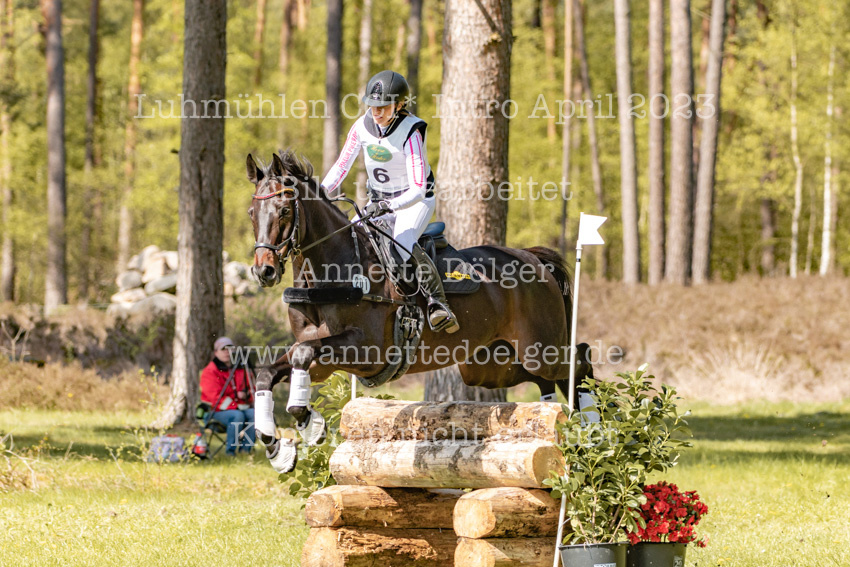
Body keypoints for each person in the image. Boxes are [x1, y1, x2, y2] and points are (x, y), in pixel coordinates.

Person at [321, 70, 460, 334]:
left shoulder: (411, 132)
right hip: (378, 202)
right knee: (349, 241)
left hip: (414, 202)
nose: (376, 111)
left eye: (383, 106)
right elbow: (341, 166)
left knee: (402, 243)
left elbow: (418, 189)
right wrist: (319, 192)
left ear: (399, 105)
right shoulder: (361, 127)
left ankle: (437, 302)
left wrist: (388, 206)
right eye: (372, 105)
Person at [199, 337, 256, 456]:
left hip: (238, 409)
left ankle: (245, 451)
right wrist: (236, 405)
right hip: (215, 412)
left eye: (230, 348)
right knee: (237, 415)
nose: (227, 352)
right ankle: (230, 453)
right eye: (223, 349)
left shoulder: (241, 369)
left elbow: (252, 389)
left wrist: (246, 395)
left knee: (255, 414)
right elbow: (215, 398)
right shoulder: (210, 371)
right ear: (216, 352)